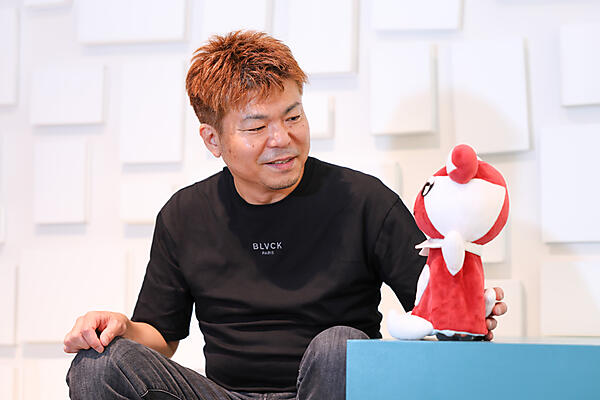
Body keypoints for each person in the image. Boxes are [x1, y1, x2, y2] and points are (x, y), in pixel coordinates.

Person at [64, 31, 507, 400]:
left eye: (293, 116)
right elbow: (162, 338)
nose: (282, 139)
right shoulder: (184, 215)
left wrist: (467, 312)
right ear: (213, 140)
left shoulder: (363, 200)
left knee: (339, 346)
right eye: (257, 127)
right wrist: (120, 328)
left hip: (329, 387)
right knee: (98, 365)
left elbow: (433, 303)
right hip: (225, 393)